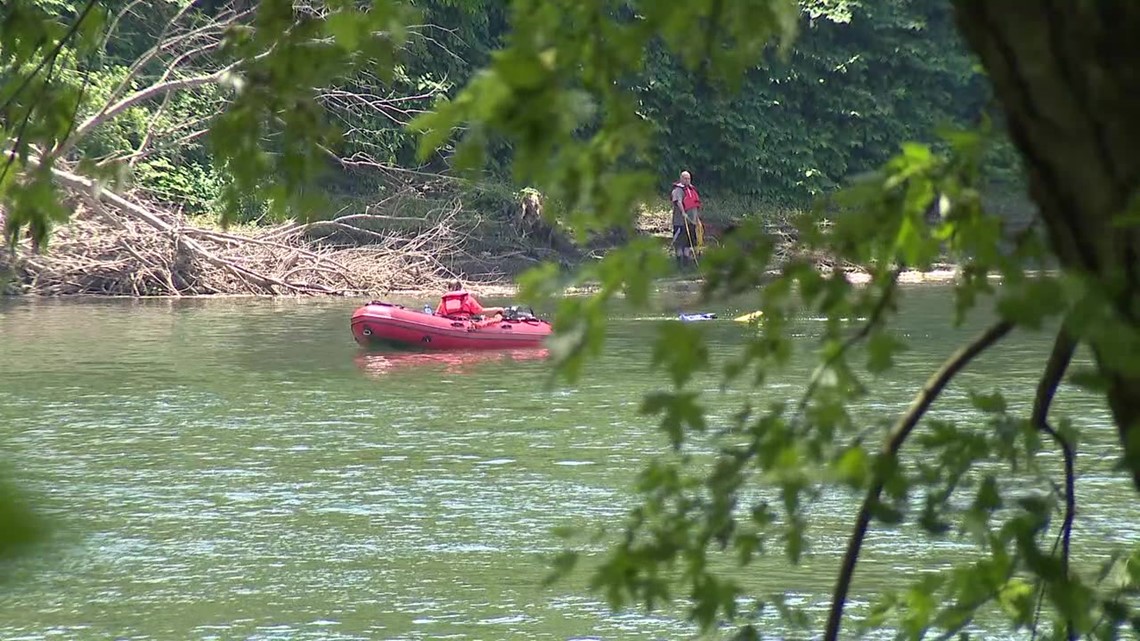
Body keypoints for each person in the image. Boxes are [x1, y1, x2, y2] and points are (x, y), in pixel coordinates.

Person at [670, 170, 702, 269]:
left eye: (689, 178)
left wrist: (697, 219)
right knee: (679, 243)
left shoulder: (692, 190)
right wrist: (683, 212)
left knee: (688, 243)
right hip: (680, 222)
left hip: (691, 221)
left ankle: (686, 264)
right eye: (685, 178)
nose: (687, 180)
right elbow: (678, 201)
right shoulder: (678, 190)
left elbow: (695, 206)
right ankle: (679, 265)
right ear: (681, 178)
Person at [435, 280, 504, 319]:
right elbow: (480, 311)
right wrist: (497, 309)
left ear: (449, 289)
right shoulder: (467, 298)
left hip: (449, 324)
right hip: (464, 322)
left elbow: (438, 314)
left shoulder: (445, 300)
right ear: (461, 288)